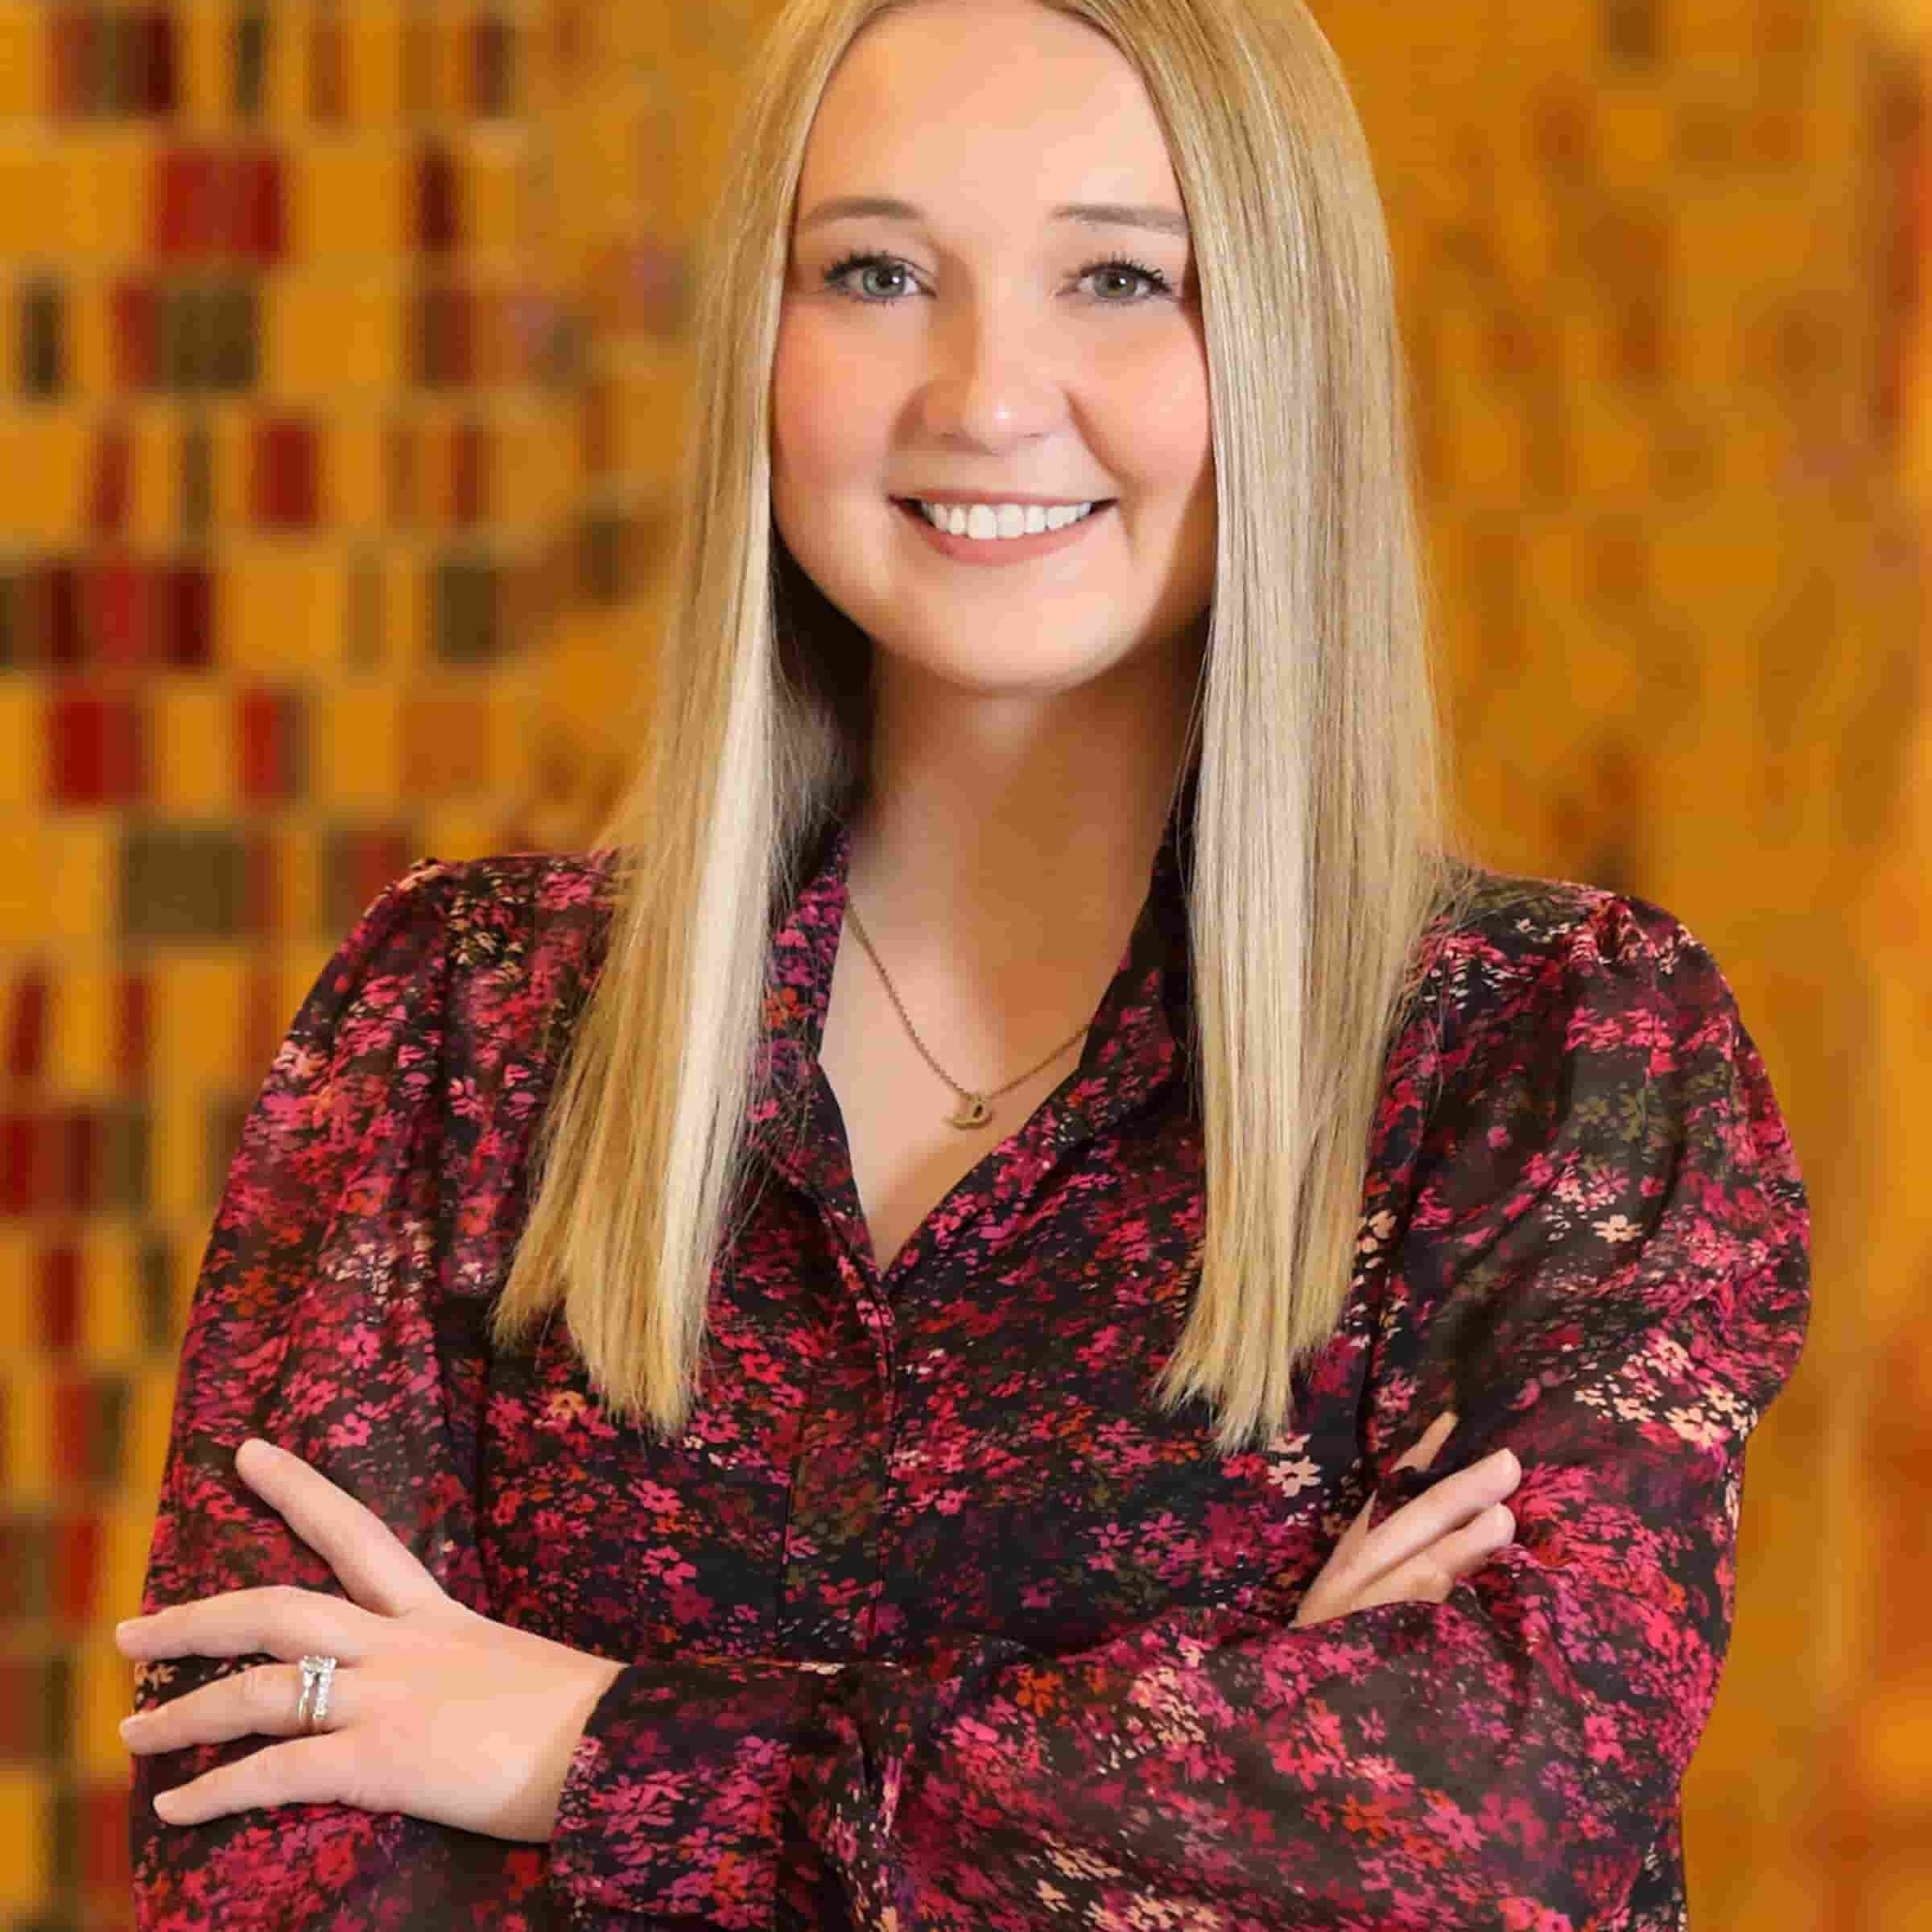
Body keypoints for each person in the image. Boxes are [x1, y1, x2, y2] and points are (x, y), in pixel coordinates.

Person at [118, 0, 1811, 1926]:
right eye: (876, 272)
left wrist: (579, 1748)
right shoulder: (462, 1024)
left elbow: (1492, 1829)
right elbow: (258, 1843)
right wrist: (1190, 1786)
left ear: (1281, 345)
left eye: (1117, 275)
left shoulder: (1553, 1055)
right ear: (760, 347)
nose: (988, 393)